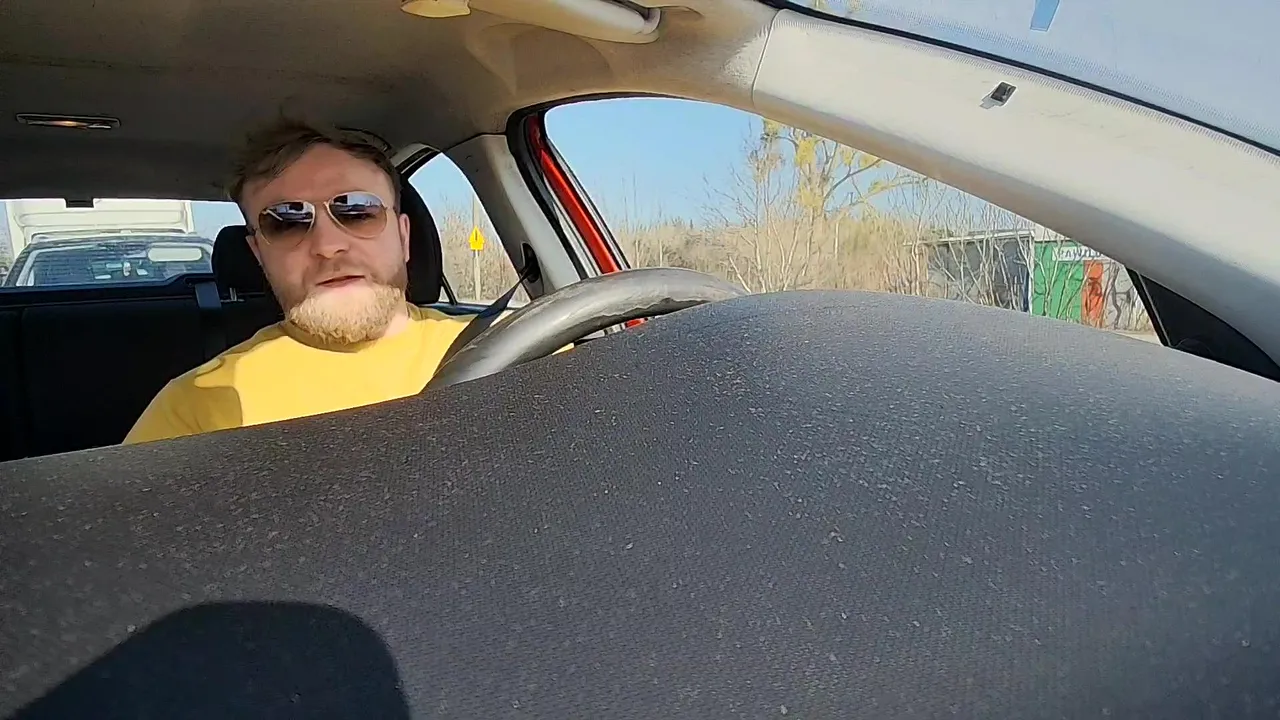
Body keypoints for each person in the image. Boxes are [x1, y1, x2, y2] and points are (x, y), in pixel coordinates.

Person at [124, 118, 478, 444]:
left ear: (403, 237)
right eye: (286, 222)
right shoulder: (196, 408)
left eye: (356, 210)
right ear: (259, 254)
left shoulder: (494, 345)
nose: (327, 246)